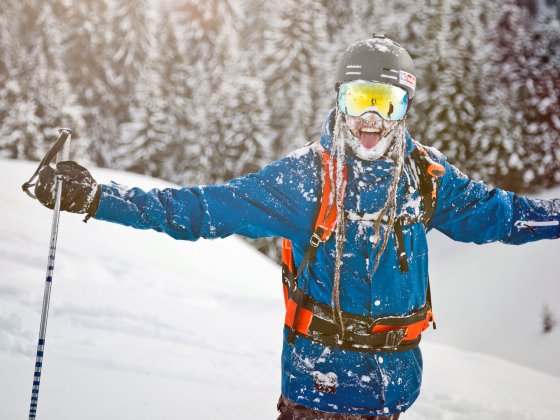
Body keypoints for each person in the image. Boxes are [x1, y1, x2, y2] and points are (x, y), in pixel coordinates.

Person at [28, 34, 560, 419]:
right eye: (359, 101)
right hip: (318, 393)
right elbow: (197, 210)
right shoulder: (305, 179)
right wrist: (97, 198)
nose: (369, 121)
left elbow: (505, 215)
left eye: (386, 104)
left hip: (394, 394)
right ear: (339, 100)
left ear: (404, 109)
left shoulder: (426, 177)